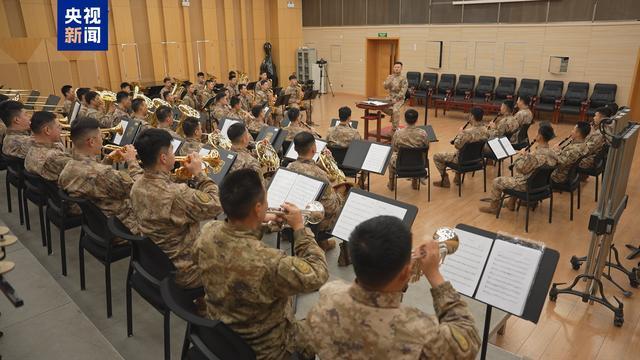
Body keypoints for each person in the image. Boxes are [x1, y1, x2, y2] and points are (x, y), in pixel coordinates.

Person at [303, 215, 481, 360]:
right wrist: (434, 274)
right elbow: (468, 338)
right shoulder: (422, 332)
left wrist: (400, 273)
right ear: (405, 273)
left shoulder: (326, 298)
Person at [196, 169, 327, 359]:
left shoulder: (208, 230)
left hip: (222, 333)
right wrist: (300, 228)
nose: (268, 205)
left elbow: (235, 238)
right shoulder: (270, 262)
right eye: (265, 201)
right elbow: (318, 273)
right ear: (257, 208)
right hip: (267, 348)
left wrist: (264, 222)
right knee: (324, 324)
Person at [130, 129, 222, 289]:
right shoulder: (177, 194)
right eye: (172, 151)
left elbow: (159, 185)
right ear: (163, 158)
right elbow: (216, 205)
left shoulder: (136, 184)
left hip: (155, 263)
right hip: (184, 272)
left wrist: (177, 176)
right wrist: (199, 174)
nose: (175, 155)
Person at [59, 118, 142, 234]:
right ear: (91, 142)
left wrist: (108, 160)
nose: (102, 139)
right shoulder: (104, 174)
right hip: (122, 229)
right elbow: (141, 191)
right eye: (100, 136)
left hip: (96, 226)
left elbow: (93, 176)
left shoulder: (69, 165)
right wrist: (132, 161)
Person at [480, 124, 559, 214]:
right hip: (542, 186)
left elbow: (519, 168)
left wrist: (522, 156)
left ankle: (493, 208)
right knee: (519, 178)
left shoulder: (535, 156)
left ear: (540, 137)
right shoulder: (553, 153)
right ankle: (511, 203)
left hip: (527, 186)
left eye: (537, 134)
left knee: (497, 181)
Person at [287, 132, 340, 251]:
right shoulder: (319, 174)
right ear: (314, 149)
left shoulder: (289, 167)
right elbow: (331, 208)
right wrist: (339, 192)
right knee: (343, 202)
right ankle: (342, 252)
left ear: (295, 149)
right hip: (311, 222)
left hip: (293, 215)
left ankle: (323, 243)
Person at [433, 107, 489, 188]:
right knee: (462, 152)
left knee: (437, 156)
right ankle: (457, 177)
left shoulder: (467, 133)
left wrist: (460, 133)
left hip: (462, 160)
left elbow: (457, 145)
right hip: (477, 160)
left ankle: (445, 180)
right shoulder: (485, 130)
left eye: (470, 115)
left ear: (472, 117)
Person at [387, 109, 429, 191]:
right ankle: (415, 182)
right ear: (417, 120)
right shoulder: (423, 133)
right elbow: (426, 147)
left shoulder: (398, 133)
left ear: (405, 119)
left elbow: (394, 148)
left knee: (390, 157)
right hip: (418, 163)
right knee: (418, 155)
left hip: (401, 163)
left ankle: (391, 183)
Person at [24, 111, 71, 181]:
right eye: (58, 126)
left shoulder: (31, 147)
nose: (61, 128)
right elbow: (79, 169)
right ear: (47, 130)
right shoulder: (53, 157)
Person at [383, 61, 409, 131]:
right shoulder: (390, 77)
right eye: (395, 67)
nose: (396, 68)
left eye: (398, 67)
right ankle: (393, 115)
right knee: (381, 106)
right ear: (393, 68)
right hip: (390, 97)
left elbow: (403, 91)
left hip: (399, 98)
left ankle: (395, 128)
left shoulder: (403, 78)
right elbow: (385, 87)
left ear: (401, 68)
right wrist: (389, 80)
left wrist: (396, 99)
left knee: (395, 110)